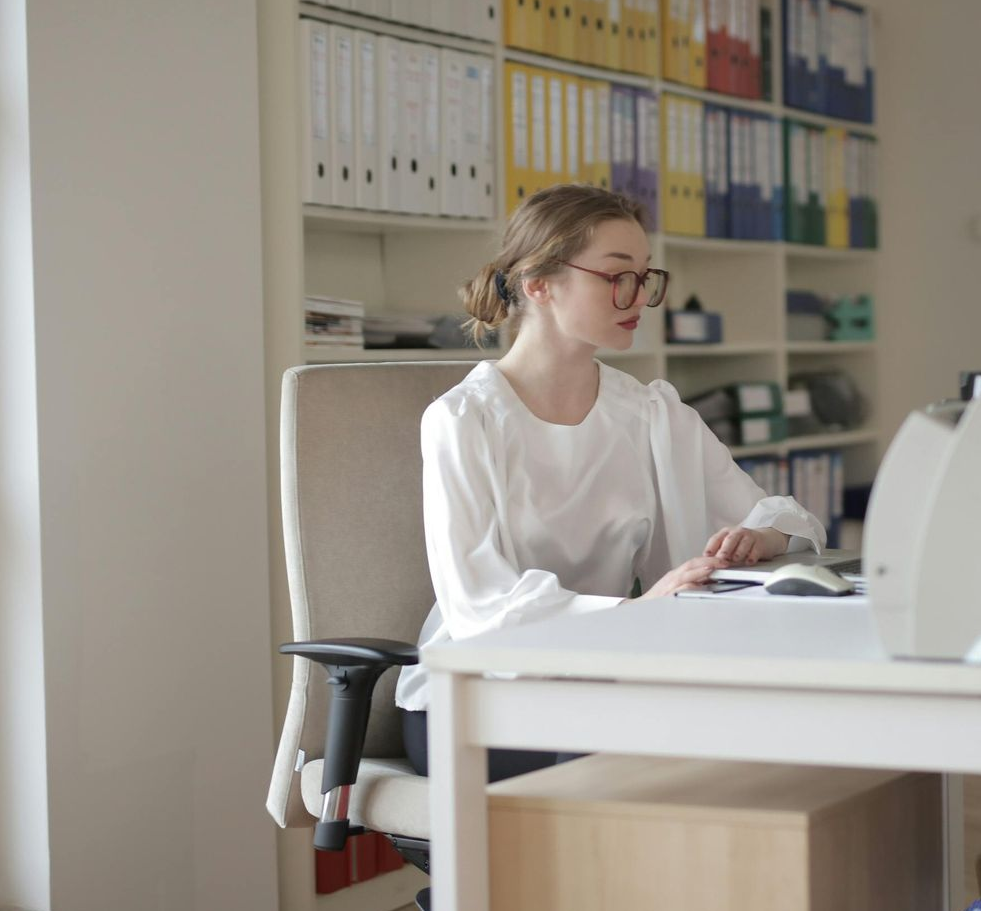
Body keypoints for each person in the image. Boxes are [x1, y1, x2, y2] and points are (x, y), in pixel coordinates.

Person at [395, 184, 825, 781]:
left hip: (610, 676)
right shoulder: (465, 420)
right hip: (479, 698)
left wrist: (764, 539)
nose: (639, 297)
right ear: (538, 283)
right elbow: (479, 609)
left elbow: (788, 518)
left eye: (646, 277)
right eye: (616, 276)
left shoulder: (652, 412)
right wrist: (635, 610)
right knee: (660, 758)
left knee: (756, 729)